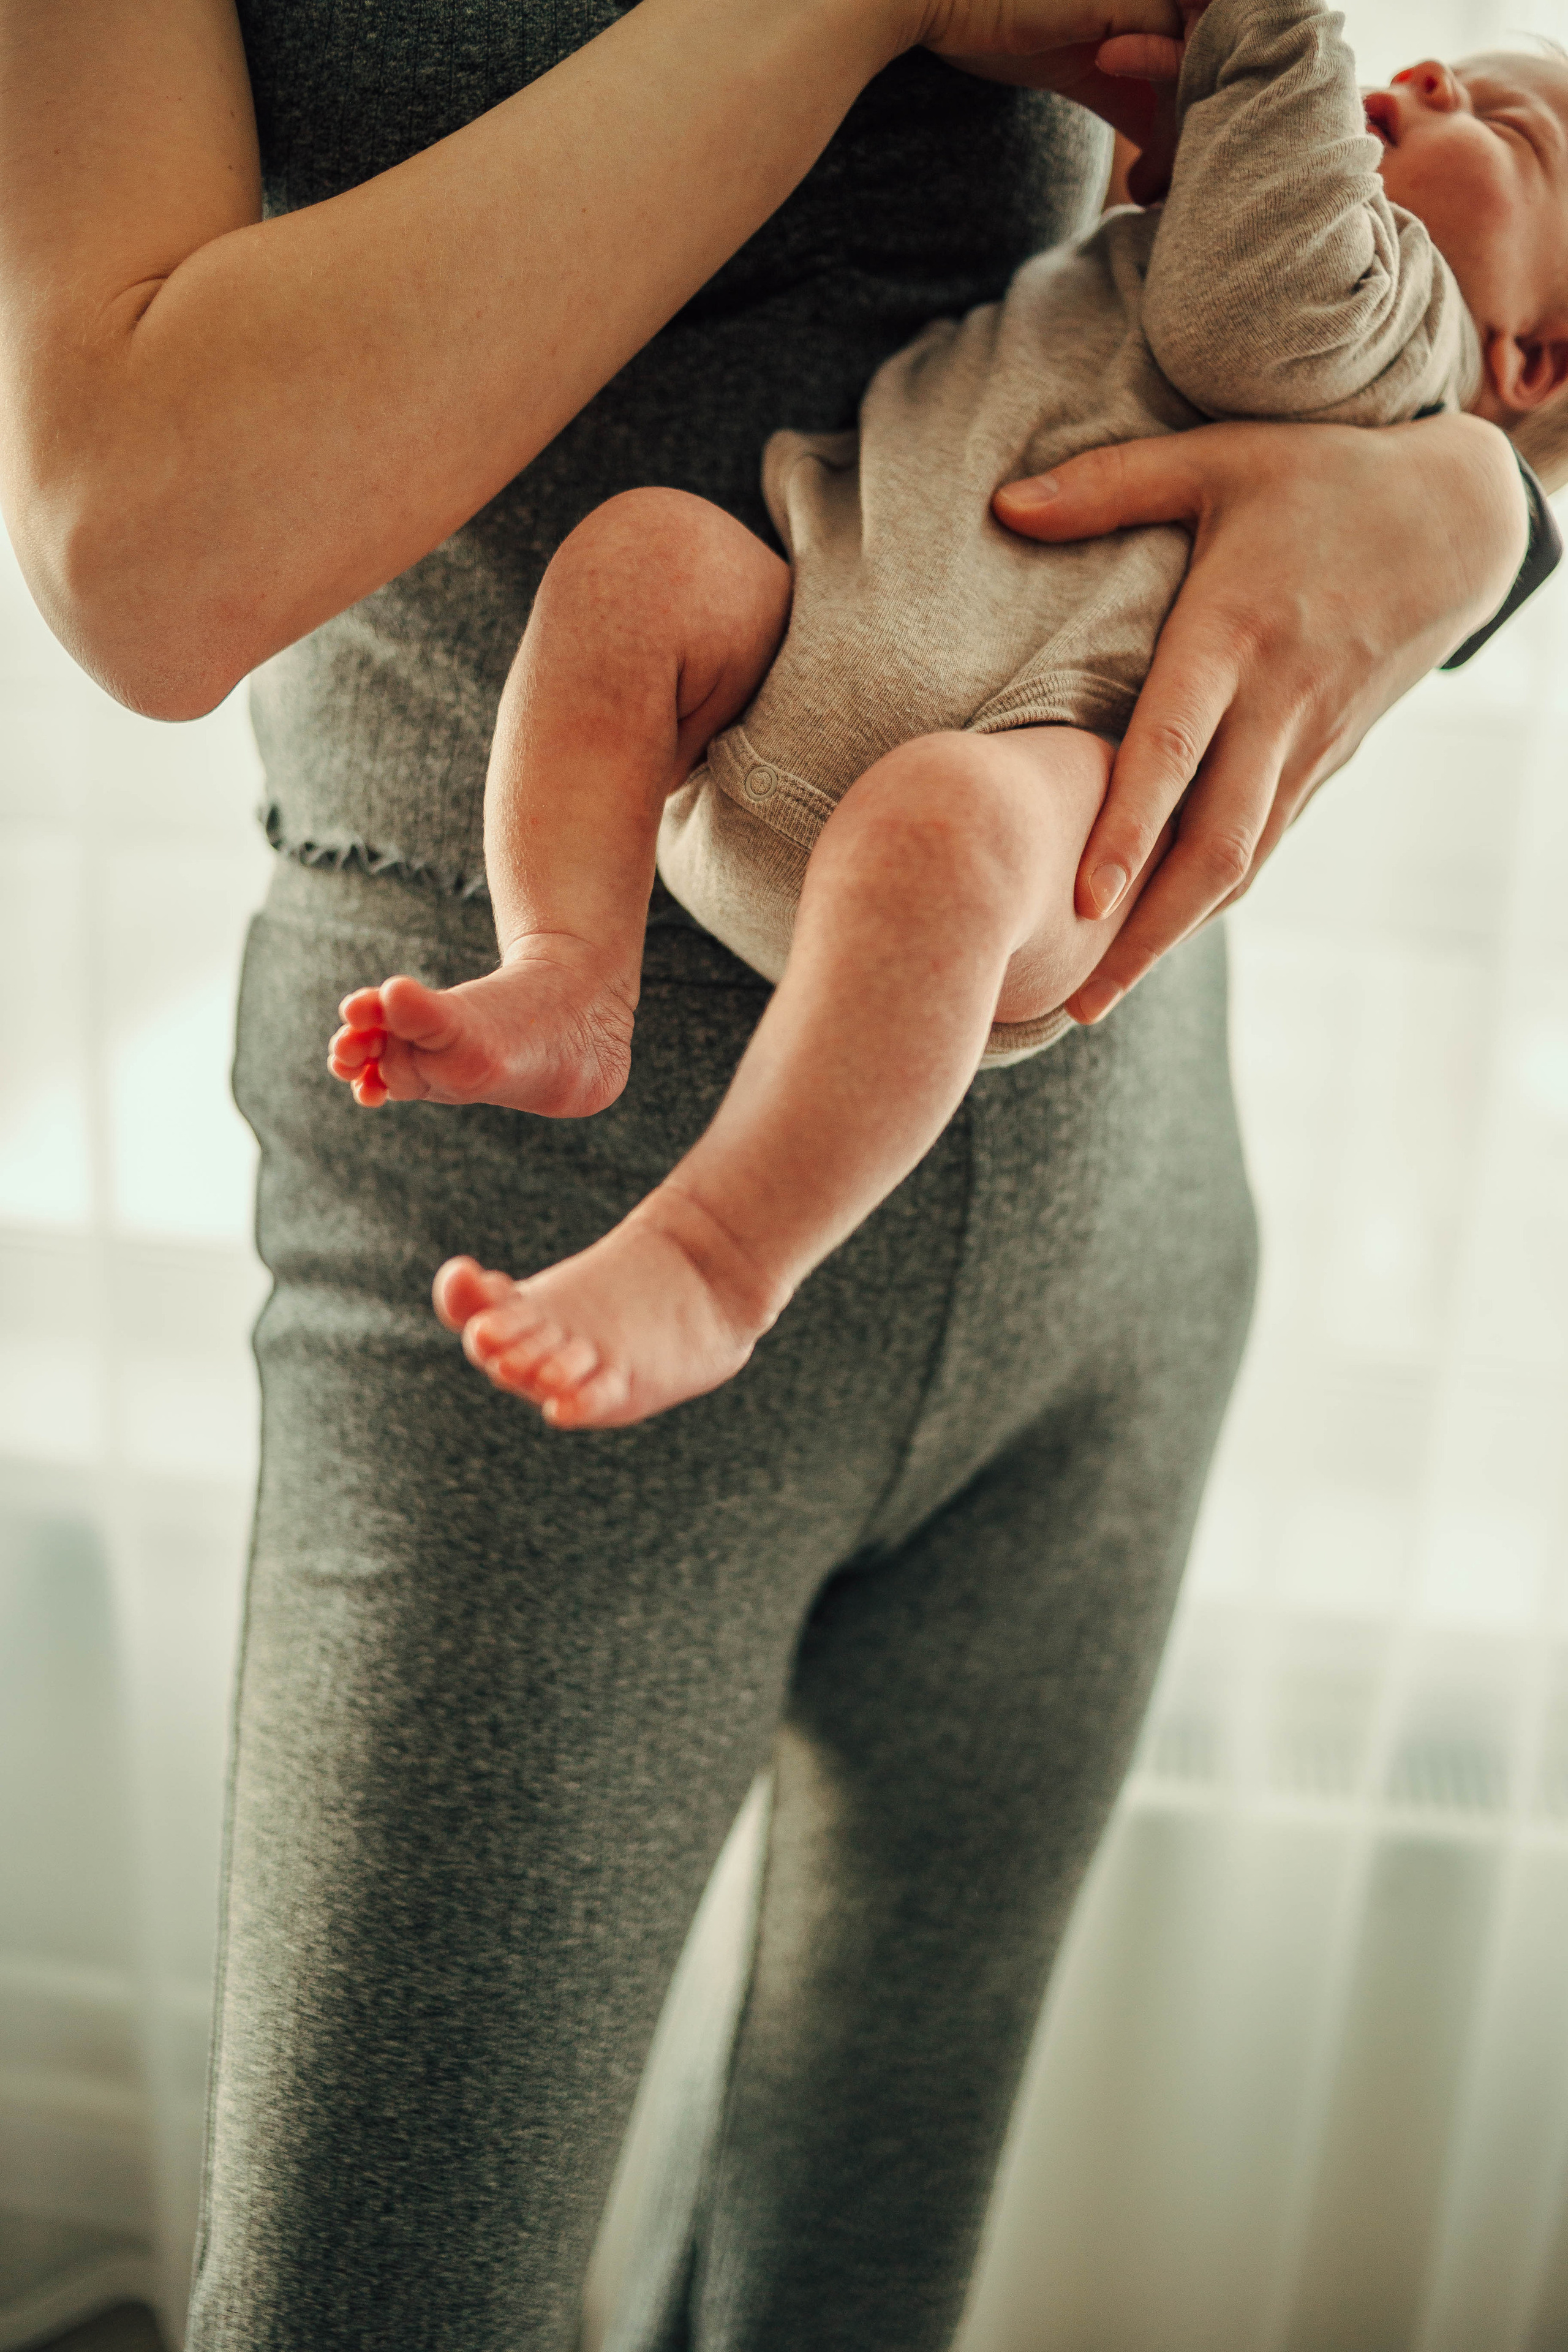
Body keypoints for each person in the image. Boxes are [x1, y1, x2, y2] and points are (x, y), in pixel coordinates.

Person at [0, 1, 1553, 2345]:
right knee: (375, 2299)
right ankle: (604, 1034)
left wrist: (1480, 519)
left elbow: (1344, 270)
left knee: (857, 2280)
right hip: (535, 1212)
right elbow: (142, 548)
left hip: (1112, 1189)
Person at [326, 0, 1568, 1433]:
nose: (1423, 77)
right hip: (796, 657)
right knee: (641, 561)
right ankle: (565, 970)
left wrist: (1269, 29)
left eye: (1505, 122)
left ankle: (714, 1262)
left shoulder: (1391, 346)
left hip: (1034, 807)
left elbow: (1258, 292)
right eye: (1439, 67)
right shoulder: (1217, 253)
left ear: (1529, 357)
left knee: (943, 816)